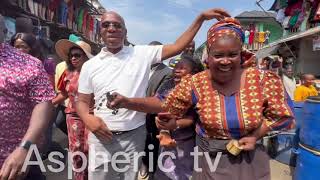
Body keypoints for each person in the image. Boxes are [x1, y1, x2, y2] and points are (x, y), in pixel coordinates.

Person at [76, 9, 230, 180]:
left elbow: (178, 46)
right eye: (106, 25)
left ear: (125, 32)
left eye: (117, 25)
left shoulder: (140, 54)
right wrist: (88, 119)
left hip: (134, 136)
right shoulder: (90, 66)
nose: (112, 29)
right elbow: (82, 101)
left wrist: (200, 19)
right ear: (100, 30)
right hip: (101, 136)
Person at [157, 18, 294, 180]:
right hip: (209, 160)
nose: (225, 60)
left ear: (241, 52)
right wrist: (165, 127)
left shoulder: (263, 80)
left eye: (233, 54)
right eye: (218, 54)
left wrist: (255, 136)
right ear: (209, 53)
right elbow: (167, 109)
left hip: (248, 159)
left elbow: (281, 115)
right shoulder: (197, 82)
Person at [108, 55, 204, 180]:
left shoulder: (198, 90)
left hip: (187, 144)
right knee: (164, 172)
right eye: (176, 67)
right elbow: (157, 105)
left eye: (182, 68)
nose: (176, 70)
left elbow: (192, 119)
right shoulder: (168, 85)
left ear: (194, 73)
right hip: (165, 141)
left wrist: (175, 125)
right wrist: (164, 129)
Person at [0, 14, 55, 180]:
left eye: (24, 46)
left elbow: (44, 103)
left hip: (12, 160)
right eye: (18, 45)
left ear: (4, 32)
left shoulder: (31, 64)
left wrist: (25, 147)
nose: (21, 48)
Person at [52, 38, 93, 180]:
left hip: (92, 115)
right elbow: (63, 93)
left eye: (78, 55)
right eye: (71, 55)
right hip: (73, 116)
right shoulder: (67, 73)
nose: (73, 58)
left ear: (86, 56)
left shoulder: (95, 73)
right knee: (76, 149)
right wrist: (48, 104)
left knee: (90, 149)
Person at [139, 41, 172, 179]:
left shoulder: (167, 72)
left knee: (151, 143)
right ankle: (143, 164)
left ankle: (150, 168)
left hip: (152, 116)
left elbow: (160, 98)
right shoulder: (140, 68)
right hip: (135, 115)